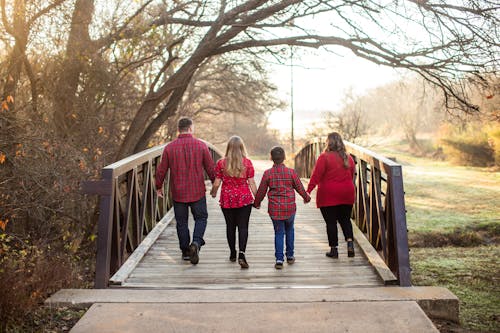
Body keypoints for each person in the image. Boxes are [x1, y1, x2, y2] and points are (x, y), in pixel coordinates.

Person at [155, 117, 215, 265]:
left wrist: (158, 185)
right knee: (201, 218)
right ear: (190, 128)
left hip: (178, 191)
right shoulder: (201, 146)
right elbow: (210, 168)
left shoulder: (170, 148)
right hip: (197, 191)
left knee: (181, 222)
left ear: (178, 129)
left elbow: (161, 170)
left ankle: (185, 252)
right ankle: (195, 243)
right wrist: (215, 183)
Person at [254, 146, 311, 269]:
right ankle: (290, 256)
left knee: (279, 232)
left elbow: (261, 191)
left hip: (275, 210)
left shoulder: (268, 173)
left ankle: (279, 259)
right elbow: (299, 187)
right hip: (290, 209)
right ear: (284, 158)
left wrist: (257, 203)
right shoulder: (291, 172)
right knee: (290, 230)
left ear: (271, 158)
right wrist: (306, 198)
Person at [306, 132, 356, 258]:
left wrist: (308, 191)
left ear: (328, 143)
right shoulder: (348, 158)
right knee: (345, 220)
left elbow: (316, 176)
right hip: (347, 193)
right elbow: (352, 175)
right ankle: (350, 244)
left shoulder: (324, 157)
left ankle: (334, 250)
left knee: (331, 223)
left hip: (329, 195)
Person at [210, 136, 257, 269]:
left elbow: (217, 182)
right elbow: (251, 182)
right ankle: (242, 253)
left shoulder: (221, 163)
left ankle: (232, 253)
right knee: (243, 227)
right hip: (244, 199)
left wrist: (213, 192)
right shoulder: (247, 163)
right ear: (242, 148)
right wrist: (257, 198)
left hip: (227, 199)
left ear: (228, 148)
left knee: (230, 227)